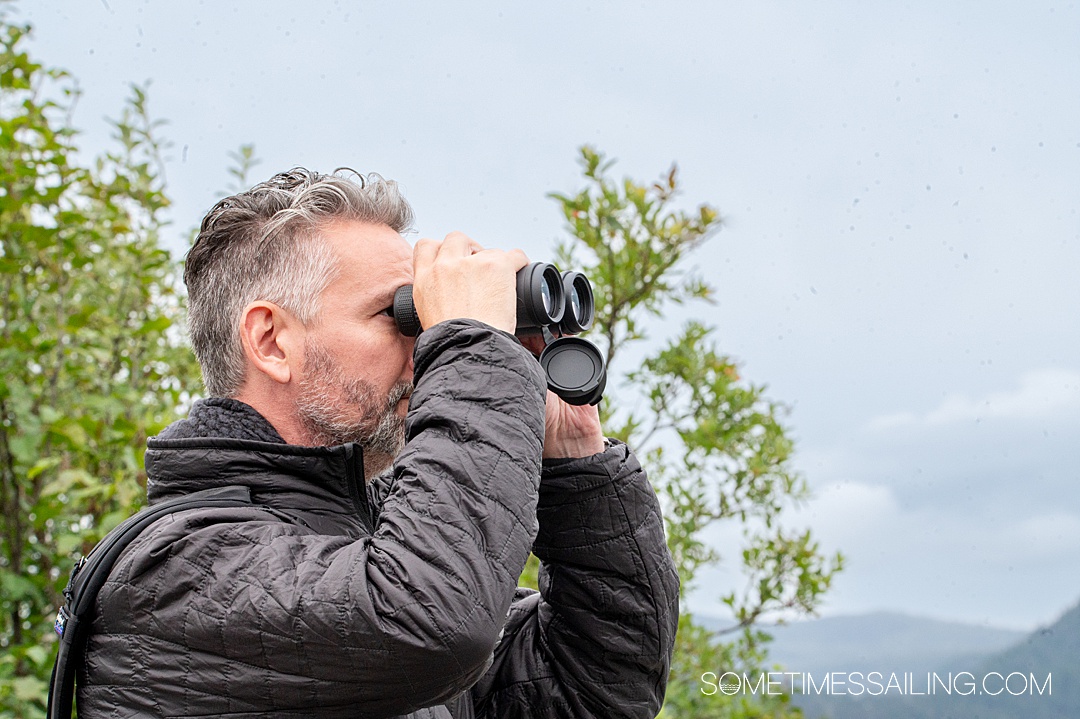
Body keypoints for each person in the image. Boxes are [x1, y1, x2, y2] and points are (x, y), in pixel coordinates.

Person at [78, 168, 679, 718]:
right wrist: (474, 353)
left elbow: (597, 689)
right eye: (400, 318)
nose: (423, 351)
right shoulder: (178, 572)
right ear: (271, 343)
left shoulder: (387, 544)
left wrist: (572, 459)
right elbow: (431, 621)